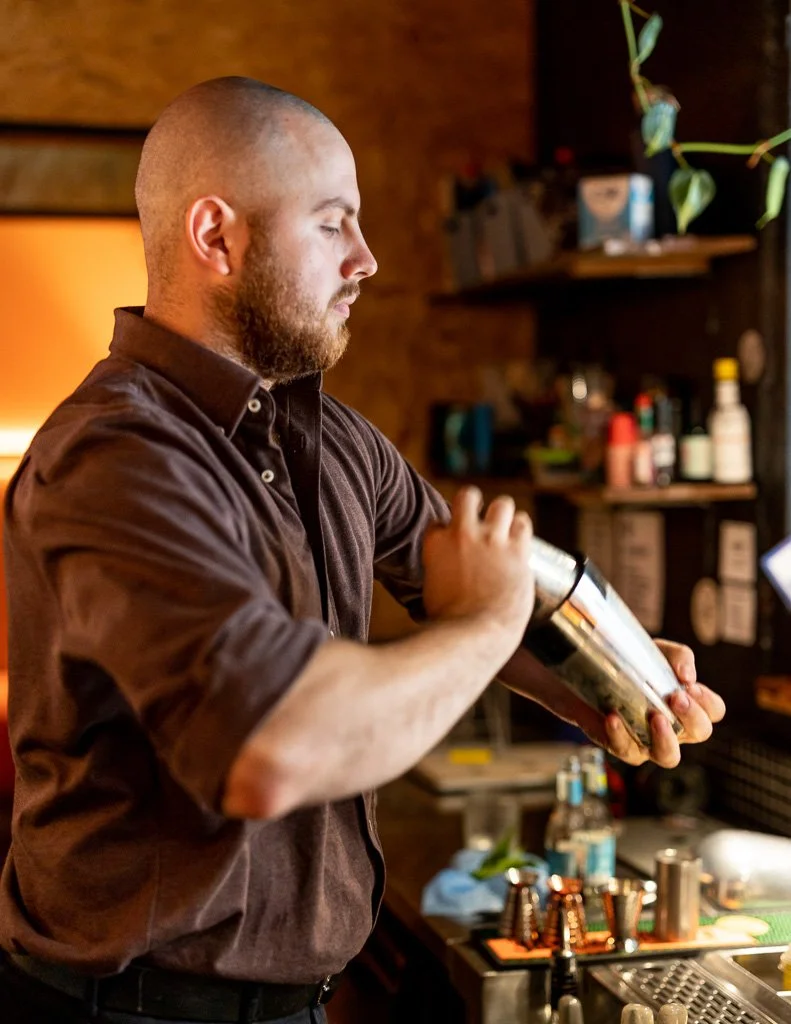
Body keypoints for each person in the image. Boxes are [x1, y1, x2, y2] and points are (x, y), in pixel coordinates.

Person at [0, 77, 725, 1024]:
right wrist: (487, 618)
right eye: (334, 224)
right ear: (217, 237)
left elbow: (476, 581)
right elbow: (270, 752)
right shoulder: (115, 459)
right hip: (128, 1009)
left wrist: (606, 681)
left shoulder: (331, 438)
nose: (368, 260)